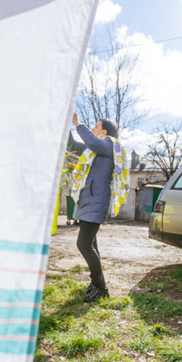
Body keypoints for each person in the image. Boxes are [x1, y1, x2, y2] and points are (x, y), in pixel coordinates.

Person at [67, 112, 126, 302]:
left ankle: (101, 287)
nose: (93, 128)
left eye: (96, 126)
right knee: (91, 244)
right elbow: (74, 146)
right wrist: (67, 126)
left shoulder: (109, 145)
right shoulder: (94, 150)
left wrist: (78, 123)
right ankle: (96, 283)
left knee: (83, 244)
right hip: (89, 200)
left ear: (104, 131)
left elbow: (92, 142)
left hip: (96, 201)